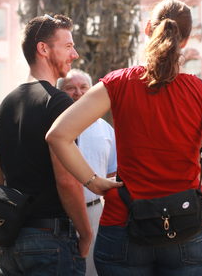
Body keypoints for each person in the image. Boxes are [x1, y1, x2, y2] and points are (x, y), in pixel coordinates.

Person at [46, 0, 202, 275]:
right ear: (185, 40)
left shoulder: (118, 82)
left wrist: (93, 182)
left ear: (148, 29)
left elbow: (57, 135)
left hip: (124, 223)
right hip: (186, 224)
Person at [0, 14, 88, 275]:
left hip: (10, 242)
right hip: (50, 238)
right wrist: (86, 233)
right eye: (68, 46)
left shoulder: (4, 105)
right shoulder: (57, 103)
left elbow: (0, 180)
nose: (75, 54)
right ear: (43, 49)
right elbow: (67, 181)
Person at [58, 69, 117, 276]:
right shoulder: (54, 127)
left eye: (84, 87)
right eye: (70, 88)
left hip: (94, 210)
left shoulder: (105, 129)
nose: (78, 93)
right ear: (60, 92)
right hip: (59, 212)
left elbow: (113, 173)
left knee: (92, 270)